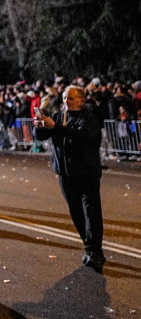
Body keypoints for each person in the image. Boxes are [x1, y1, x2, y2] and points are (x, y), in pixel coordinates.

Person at [34, 84, 106, 271]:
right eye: (65, 98)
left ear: (82, 100)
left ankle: (94, 252)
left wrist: (56, 127)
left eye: (72, 98)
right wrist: (40, 122)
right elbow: (41, 135)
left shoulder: (90, 117)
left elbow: (82, 136)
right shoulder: (59, 116)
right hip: (66, 175)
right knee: (76, 213)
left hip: (86, 174)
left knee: (91, 213)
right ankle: (89, 246)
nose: (67, 101)